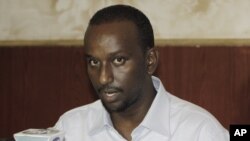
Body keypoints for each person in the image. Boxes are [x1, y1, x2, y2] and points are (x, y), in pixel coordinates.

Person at [54, 4, 229, 141]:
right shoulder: (69, 129)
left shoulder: (200, 132)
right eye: (94, 62)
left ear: (150, 61)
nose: (103, 77)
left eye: (118, 60)